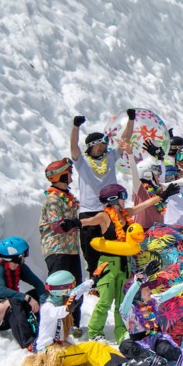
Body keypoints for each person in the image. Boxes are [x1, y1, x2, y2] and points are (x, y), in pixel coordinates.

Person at [83, 178, 179, 343]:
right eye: (122, 196)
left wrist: (163, 195)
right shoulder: (104, 216)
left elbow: (144, 205)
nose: (124, 199)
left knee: (122, 303)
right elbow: (87, 221)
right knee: (105, 300)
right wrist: (72, 223)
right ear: (113, 199)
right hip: (108, 264)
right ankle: (95, 332)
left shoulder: (126, 213)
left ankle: (122, 332)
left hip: (125, 265)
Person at [25, 270, 148, 366]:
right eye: (70, 285)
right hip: (50, 354)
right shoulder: (48, 307)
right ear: (62, 288)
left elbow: (78, 291)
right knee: (92, 348)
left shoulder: (60, 299)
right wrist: (67, 308)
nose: (72, 287)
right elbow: (57, 312)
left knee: (102, 347)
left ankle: (125, 364)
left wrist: (93, 280)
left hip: (62, 348)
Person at [70, 111, 133, 278]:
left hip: (109, 210)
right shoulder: (82, 162)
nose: (103, 146)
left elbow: (124, 140)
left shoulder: (110, 157)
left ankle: (113, 276)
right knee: (90, 250)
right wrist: (75, 127)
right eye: (99, 144)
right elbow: (74, 147)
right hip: (89, 210)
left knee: (112, 246)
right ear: (92, 146)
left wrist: (131, 120)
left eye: (104, 143)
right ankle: (94, 279)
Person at [118, 266, 183, 366]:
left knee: (165, 349)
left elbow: (170, 292)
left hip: (157, 339)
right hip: (140, 344)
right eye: (145, 288)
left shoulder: (153, 300)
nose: (150, 290)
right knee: (125, 345)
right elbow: (128, 296)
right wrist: (138, 282)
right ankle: (153, 360)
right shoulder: (127, 309)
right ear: (138, 294)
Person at [39, 158, 89, 338]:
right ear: (61, 175)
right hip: (57, 250)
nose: (71, 176)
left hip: (71, 250)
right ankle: (56, 327)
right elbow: (59, 226)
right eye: (68, 173)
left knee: (75, 289)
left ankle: (73, 325)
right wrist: (78, 222)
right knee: (59, 290)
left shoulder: (66, 196)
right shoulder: (53, 199)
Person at [0, 237, 47, 348]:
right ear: (16, 257)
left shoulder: (20, 268)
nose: (25, 257)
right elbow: (1, 291)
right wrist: (27, 298)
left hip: (8, 312)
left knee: (34, 294)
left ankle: (43, 332)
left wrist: (43, 302)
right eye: (23, 255)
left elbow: (38, 284)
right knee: (14, 301)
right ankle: (29, 343)